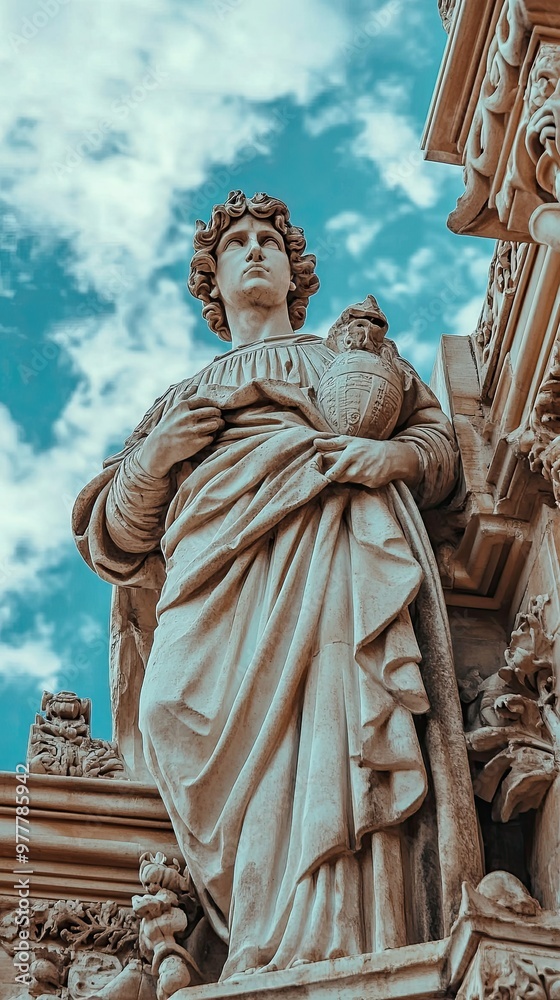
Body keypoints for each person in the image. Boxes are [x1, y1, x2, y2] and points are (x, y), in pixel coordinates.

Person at [73, 191, 481, 980]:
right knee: (167, 709)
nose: (255, 250)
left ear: (297, 275)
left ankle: (331, 938)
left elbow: (438, 447)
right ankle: (256, 924)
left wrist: (390, 458)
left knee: (333, 717)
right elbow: (115, 539)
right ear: (212, 281)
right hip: (208, 572)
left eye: (270, 241)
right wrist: (155, 458)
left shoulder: (343, 362)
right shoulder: (177, 402)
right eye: (237, 244)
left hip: (327, 543)